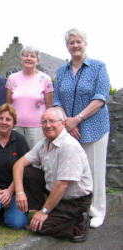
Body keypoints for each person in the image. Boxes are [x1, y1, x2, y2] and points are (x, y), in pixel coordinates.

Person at [53, 28, 110, 228]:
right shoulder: (61, 71)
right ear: (67, 46)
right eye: (71, 42)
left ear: (85, 44)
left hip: (95, 127)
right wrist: (67, 122)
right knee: (72, 172)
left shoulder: (98, 67)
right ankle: (78, 210)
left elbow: (100, 98)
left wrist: (77, 119)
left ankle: (97, 211)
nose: (75, 45)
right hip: (69, 129)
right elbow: (57, 100)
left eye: (79, 42)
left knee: (94, 170)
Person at [13, 108, 93, 242]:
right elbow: (18, 165)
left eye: (52, 121)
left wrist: (44, 212)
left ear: (62, 123)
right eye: (44, 122)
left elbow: (62, 185)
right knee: (27, 173)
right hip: (55, 194)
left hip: (75, 200)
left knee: (39, 227)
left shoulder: (68, 146)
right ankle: (52, 212)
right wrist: (20, 192)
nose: (47, 125)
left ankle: (79, 221)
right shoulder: (44, 143)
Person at [6, 46, 53, 148]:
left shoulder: (45, 79)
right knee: (16, 157)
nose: (28, 58)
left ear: (38, 60)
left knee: (35, 159)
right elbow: (8, 105)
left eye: (32, 56)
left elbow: (49, 107)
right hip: (15, 126)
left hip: (37, 128)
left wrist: (47, 125)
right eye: (25, 55)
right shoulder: (12, 78)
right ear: (21, 58)